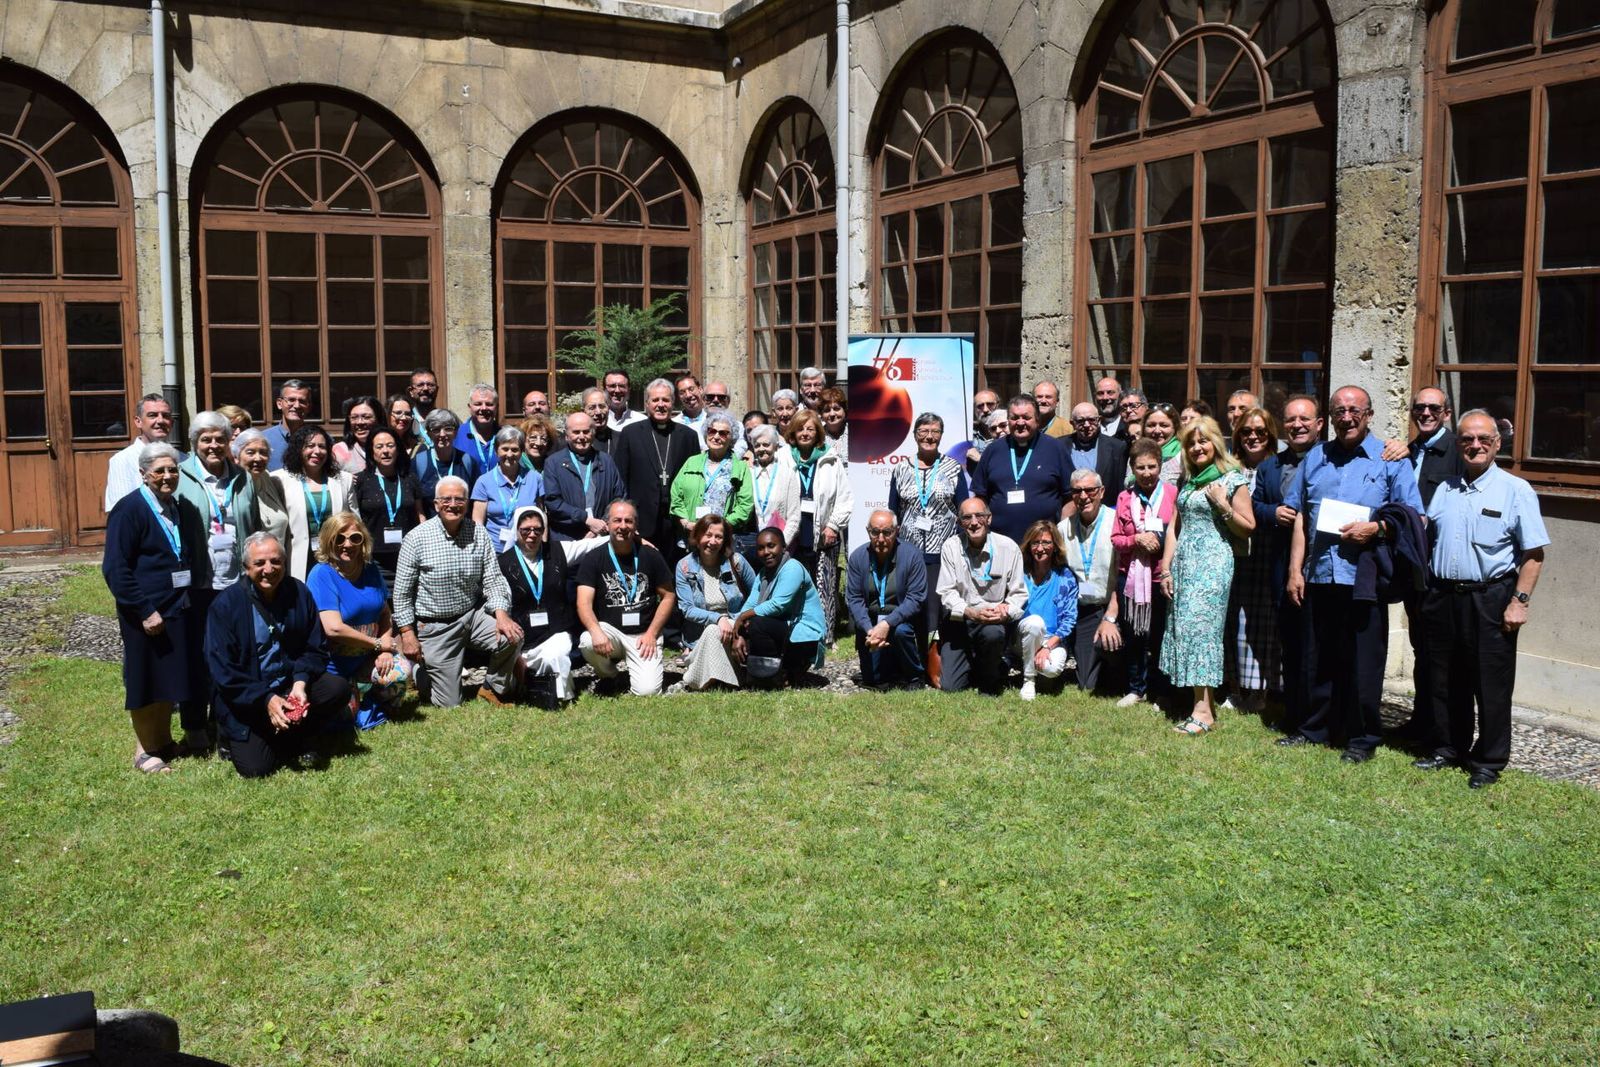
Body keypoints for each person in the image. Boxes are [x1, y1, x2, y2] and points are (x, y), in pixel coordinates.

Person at [1281, 385, 1423, 762]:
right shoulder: (1315, 457)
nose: (1347, 418)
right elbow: (1300, 518)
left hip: (1364, 578)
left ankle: (1361, 739)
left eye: (1355, 411)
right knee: (1319, 657)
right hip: (1320, 575)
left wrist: (1375, 529)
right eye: (1340, 411)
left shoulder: (1390, 459)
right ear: (1330, 417)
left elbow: (1415, 517)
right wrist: (1296, 570)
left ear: (1369, 415)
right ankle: (1315, 730)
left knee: (1364, 663)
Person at [1414, 410, 1549, 789]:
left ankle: (1488, 760)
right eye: (1467, 440)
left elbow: (1534, 554)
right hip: (1443, 597)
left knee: (1490, 683)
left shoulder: (1515, 490)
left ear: (1496, 444)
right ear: (1458, 444)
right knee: (1444, 678)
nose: (1475, 446)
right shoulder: (1446, 489)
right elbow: (1427, 535)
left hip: (1490, 598)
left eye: (1483, 440)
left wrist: (1519, 601)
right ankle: (1447, 748)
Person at [207, 533, 352, 777]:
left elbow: (315, 647)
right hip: (248, 698)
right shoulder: (225, 605)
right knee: (257, 769)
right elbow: (224, 672)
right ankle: (231, 734)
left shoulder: (299, 592)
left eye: (276, 561)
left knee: (337, 689)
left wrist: (300, 683)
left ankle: (300, 734)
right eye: (259, 563)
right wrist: (266, 700)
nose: (269, 569)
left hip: (288, 684)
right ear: (245, 567)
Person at [102, 443, 203, 773]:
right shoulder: (129, 510)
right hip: (146, 612)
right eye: (159, 470)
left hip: (175, 607)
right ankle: (144, 750)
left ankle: (162, 741)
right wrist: (144, 610)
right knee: (146, 680)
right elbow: (116, 568)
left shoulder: (174, 506)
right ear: (143, 474)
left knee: (167, 679)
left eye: (172, 470)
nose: (167, 476)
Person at [1159, 417, 1255, 734]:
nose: (1197, 447)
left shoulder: (1231, 479)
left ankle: (1202, 714)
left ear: (1215, 442)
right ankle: (1204, 706)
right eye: (1191, 443)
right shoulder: (1191, 480)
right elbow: (1174, 526)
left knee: (1203, 632)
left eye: (1203, 441)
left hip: (1213, 566)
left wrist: (1223, 505)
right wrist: (1165, 567)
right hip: (1184, 566)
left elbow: (1249, 526)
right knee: (1186, 630)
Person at [392, 475, 523, 708]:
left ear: (467, 503)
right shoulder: (416, 538)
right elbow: (402, 593)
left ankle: (492, 688)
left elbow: (493, 579)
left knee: (513, 635)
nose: (453, 504)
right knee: (449, 704)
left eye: (459, 499)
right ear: (435, 504)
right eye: (446, 499)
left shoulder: (478, 533)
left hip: (471, 616)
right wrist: (407, 633)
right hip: (435, 627)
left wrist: (502, 616)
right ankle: (424, 673)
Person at [1251, 394, 1323, 734]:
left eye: (1304, 419)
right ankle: (1294, 711)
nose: (1297, 425)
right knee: (1292, 644)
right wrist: (1272, 512)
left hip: (1325, 567)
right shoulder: (1270, 466)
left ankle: (1322, 714)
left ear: (1319, 424)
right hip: (1282, 565)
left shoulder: (1331, 461)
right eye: (1291, 420)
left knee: (1321, 646)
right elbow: (1253, 507)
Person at [175, 411, 246, 750]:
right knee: (196, 658)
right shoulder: (181, 477)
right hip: (198, 584)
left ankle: (224, 722)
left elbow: (254, 523)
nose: (213, 445)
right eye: (206, 439)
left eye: (220, 438)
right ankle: (194, 725)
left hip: (235, 582)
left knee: (228, 655)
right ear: (194, 443)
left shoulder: (242, 477)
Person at [1400, 384, 1466, 738]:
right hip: (1413, 567)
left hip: (1441, 570)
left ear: (1446, 414)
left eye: (1433, 408)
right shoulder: (1407, 452)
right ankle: (1422, 720)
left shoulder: (1459, 450)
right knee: (1420, 645)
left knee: (1443, 653)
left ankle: (1445, 730)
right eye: (1419, 408)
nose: (1425, 413)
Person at [307, 512, 407, 730]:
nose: (347, 544)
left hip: (366, 658)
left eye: (355, 538)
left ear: (363, 540)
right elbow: (333, 629)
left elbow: (384, 614)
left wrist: (386, 651)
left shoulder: (371, 570)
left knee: (400, 671)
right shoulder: (321, 574)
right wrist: (378, 644)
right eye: (339, 538)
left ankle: (376, 703)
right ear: (328, 541)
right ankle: (355, 703)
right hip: (333, 664)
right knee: (342, 721)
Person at [576, 499, 675, 695]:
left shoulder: (651, 555)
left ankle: (637, 666)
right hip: (610, 632)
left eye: (628, 521)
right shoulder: (594, 558)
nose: (622, 526)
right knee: (587, 640)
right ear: (608, 524)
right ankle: (609, 675)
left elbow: (668, 596)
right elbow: (583, 602)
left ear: (635, 526)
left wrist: (652, 633)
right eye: (617, 520)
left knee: (647, 691)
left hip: (643, 634)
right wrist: (596, 631)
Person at [887, 413, 970, 640]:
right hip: (909, 549)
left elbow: (963, 508)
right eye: (924, 431)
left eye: (935, 432)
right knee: (912, 603)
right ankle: (913, 656)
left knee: (936, 605)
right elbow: (894, 510)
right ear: (915, 435)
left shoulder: (953, 468)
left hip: (942, 551)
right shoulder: (901, 469)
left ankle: (936, 654)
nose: (929, 436)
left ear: (942, 436)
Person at [937, 498, 1027, 694]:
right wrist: (969, 612)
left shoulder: (1009, 548)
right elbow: (946, 591)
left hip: (992, 622)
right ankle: (986, 664)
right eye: (967, 517)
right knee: (951, 687)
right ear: (960, 522)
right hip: (960, 620)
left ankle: (989, 679)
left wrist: (1006, 610)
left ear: (989, 519)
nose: (974, 522)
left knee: (993, 635)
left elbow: (1018, 593)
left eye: (980, 516)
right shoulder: (951, 547)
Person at [1226, 408, 1283, 713]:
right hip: (1236, 554)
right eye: (1246, 432)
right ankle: (1240, 687)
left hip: (1268, 553)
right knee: (1237, 623)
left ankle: (1266, 688)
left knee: (1266, 624)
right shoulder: (1231, 467)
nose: (1253, 437)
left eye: (1260, 432)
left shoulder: (1278, 465)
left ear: (1270, 435)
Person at [1111, 438, 1176, 708]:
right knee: (1135, 634)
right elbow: (1116, 538)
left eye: (1152, 467)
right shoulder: (1125, 498)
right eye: (1140, 468)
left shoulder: (1172, 494)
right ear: (1132, 469)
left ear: (1160, 466)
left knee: (1161, 634)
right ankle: (1136, 688)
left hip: (1161, 575)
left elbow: (1178, 533)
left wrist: (1159, 542)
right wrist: (1136, 539)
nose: (1147, 473)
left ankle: (1161, 691)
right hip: (1132, 576)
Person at [615, 379, 702, 562]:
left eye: (666, 400)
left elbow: (697, 481)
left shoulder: (688, 436)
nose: (661, 405)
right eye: (655, 400)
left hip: (677, 523)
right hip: (641, 520)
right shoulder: (630, 434)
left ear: (673, 403)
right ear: (647, 404)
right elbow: (620, 479)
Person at [498, 505, 576, 706]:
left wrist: (636, 539)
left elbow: (590, 546)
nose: (532, 535)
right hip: (523, 636)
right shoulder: (502, 563)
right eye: (526, 530)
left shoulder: (558, 551)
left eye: (537, 530)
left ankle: (558, 697)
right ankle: (535, 684)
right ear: (517, 530)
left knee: (554, 654)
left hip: (555, 630)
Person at [785, 408, 851, 642]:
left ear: (818, 433)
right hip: (792, 531)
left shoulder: (830, 459)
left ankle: (823, 635)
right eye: (800, 428)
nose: (805, 433)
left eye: (810, 429)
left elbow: (844, 498)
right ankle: (795, 634)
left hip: (824, 531)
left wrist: (833, 525)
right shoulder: (783, 457)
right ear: (793, 432)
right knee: (794, 583)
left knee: (824, 585)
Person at [674, 514, 760, 691]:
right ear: (697, 537)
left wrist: (739, 624)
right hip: (699, 636)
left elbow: (757, 594)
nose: (712, 541)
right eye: (708, 535)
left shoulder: (737, 562)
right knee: (713, 629)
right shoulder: (684, 567)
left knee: (715, 630)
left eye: (718, 537)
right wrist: (718, 619)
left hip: (735, 628)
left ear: (725, 541)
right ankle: (727, 678)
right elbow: (687, 609)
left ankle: (697, 680)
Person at [845, 510, 929, 690]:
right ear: (868, 532)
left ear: (896, 531)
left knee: (900, 631)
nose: (881, 538)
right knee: (873, 680)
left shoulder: (912, 556)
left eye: (887, 532)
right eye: (875, 532)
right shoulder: (858, 558)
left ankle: (915, 675)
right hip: (872, 625)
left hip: (903, 621)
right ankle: (886, 667)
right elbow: (854, 599)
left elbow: (916, 599)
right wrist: (870, 630)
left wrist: (887, 624)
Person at [734, 527, 827, 688]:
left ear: (783, 547)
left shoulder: (793, 567)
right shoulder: (763, 573)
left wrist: (743, 617)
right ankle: (765, 672)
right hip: (783, 627)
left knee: (757, 623)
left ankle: (776, 673)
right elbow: (751, 603)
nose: (766, 552)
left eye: (771, 546)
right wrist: (738, 628)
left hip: (803, 635)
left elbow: (778, 605)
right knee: (744, 624)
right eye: (761, 548)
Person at [971, 395, 1072, 543]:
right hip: (1000, 543)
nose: (1020, 422)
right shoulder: (993, 450)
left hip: (1043, 545)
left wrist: (1061, 533)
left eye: (1026, 417)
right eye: (1014, 417)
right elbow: (980, 496)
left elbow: (1070, 496)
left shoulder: (1055, 448)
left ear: (1037, 420)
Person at [1062, 469, 1124, 693]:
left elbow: (1124, 577)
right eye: (1077, 491)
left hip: (1113, 607)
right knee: (1086, 684)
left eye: (1090, 490)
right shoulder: (1063, 529)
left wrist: (1110, 616)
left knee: (1108, 645)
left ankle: (1119, 670)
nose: (1084, 496)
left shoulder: (1117, 523)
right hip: (1083, 611)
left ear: (1102, 492)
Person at [271, 425, 351, 581]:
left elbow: (353, 520)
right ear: (298, 449)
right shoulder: (279, 480)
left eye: (322, 446)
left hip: (334, 556)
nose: (317, 451)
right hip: (297, 557)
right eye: (310, 446)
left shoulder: (343, 480)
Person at [351, 427, 424, 587]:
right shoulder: (361, 480)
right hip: (373, 558)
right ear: (371, 451)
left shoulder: (410, 478)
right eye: (379, 446)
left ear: (398, 449)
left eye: (390, 446)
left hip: (408, 556)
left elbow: (420, 515)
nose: (385, 451)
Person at [1016, 519, 1079, 701]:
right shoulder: (1020, 572)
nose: (1040, 548)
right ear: (1029, 546)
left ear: (1055, 546)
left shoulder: (1065, 577)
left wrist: (1046, 646)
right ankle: (1029, 680)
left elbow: (1069, 618)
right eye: (1035, 543)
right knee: (1035, 622)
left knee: (1051, 669)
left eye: (1046, 542)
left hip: (1053, 641)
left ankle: (1031, 665)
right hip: (1023, 636)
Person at [543, 410, 627, 541]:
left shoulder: (606, 461)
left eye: (586, 431)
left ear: (593, 434)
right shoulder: (553, 463)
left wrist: (600, 525)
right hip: (566, 536)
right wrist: (586, 519)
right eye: (576, 432)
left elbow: (619, 496)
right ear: (566, 436)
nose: (581, 437)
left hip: (601, 535)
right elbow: (553, 501)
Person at [670, 410, 752, 535]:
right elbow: (676, 495)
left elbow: (745, 504)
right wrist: (686, 523)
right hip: (691, 534)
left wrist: (721, 527)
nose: (716, 436)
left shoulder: (740, 467)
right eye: (712, 431)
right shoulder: (692, 461)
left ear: (732, 438)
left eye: (723, 433)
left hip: (722, 537)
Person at [471, 425, 545, 553]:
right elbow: (478, 523)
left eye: (515, 450)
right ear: (496, 451)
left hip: (527, 550)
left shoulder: (535, 478)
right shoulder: (483, 482)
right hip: (494, 551)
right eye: (505, 449)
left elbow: (542, 516)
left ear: (522, 452)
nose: (509, 454)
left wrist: (544, 545)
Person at [104, 393, 176, 512]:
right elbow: (121, 513)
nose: (160, 420)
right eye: (152, 415)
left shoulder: (183, 459)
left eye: (165, 416)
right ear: (138, 422)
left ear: (172, 423)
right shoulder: (123, 460)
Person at [232, 428, 291, 561]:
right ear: (236, 457)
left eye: (263, 453)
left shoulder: (268, 479)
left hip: (278, 564)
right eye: (250, 452)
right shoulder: (232, 487)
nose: (258, 458)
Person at [745, 423, 802, 560]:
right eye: (757, 445)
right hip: (753, 547)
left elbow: (794, 517)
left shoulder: (787, 474)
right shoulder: (748, 473)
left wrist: (780, 546)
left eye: (766, 444)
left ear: (775, 446)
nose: (761, 449)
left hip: (781, 549)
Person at [413, 408, 480, 517]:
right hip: (430, 530)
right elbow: (417, 504)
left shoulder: (467, 461)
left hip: (462, 529)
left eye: (448, 429)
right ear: (429, 433)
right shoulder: (418, 462)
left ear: (456, 432)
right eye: (436, 430)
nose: (442, 434)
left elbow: (475, 501)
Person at [1065, 401, 1130, 496]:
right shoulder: (1059, 446)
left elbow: (1120, 486)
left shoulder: (1117, 447)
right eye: (1080, 421)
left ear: (1099, 421)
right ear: (1072, 423)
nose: (1087, 425)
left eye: (1091, 420)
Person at [264, 379, 312, 471]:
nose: (297, 405)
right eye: (291, 400)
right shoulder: (264, 439)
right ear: (279, 403)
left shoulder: (319, 440)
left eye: (302, 401)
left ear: (308, 406)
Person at [453, 383, 502, 474]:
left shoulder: (504, 436)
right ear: (469, 407)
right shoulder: (456, 435)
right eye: (478, 404)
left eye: (489, 404)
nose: (483, 408)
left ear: (497, 407)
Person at [1142, 403, 1184, 486]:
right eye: (1151, 425)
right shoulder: (1137, 453)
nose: (1157, 431)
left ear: (1174, 427)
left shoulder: (1183, 455)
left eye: (1164, 426)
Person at [963, 390, 1002, 464]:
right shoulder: (967, 434)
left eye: (990, 404)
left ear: (998, 405)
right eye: (980, 406)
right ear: (974, 409)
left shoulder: (1008, 433)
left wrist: (980, 459)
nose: (985, 410)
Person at [582, 388, 620, 455]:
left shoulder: (620, 439)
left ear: (608, 408)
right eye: (592, 407)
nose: (598, 412)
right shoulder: (577, 440)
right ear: (584, 411)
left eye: (602, 406)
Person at [387, 393, 421, 460]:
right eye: (398, 413)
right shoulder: (378, 443)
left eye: (408, 414)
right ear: (387, 414)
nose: (403, 418)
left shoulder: (417, 446)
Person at [673, 374, 708, 441]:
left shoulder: (712, 420)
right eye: (682, 392)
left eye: (691, 389)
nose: (688, 395)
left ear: (700, 389)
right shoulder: (674, 425)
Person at [819, 386, 849, 456]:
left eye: (836, 409)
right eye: (827, 410)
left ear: (845, 410)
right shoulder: (817, 437)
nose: (832, 414)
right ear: (821, 414)